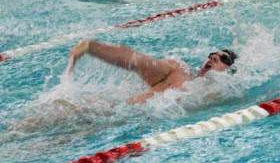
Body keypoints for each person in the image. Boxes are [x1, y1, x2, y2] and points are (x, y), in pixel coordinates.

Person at [68, 40, 238, 104]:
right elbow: (137, 61)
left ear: (229, 71)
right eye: (212, 54)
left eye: (224, 59)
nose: (215, 56)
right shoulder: (178, 71)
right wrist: (93, 48)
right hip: (97, 112)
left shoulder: (218, 94)